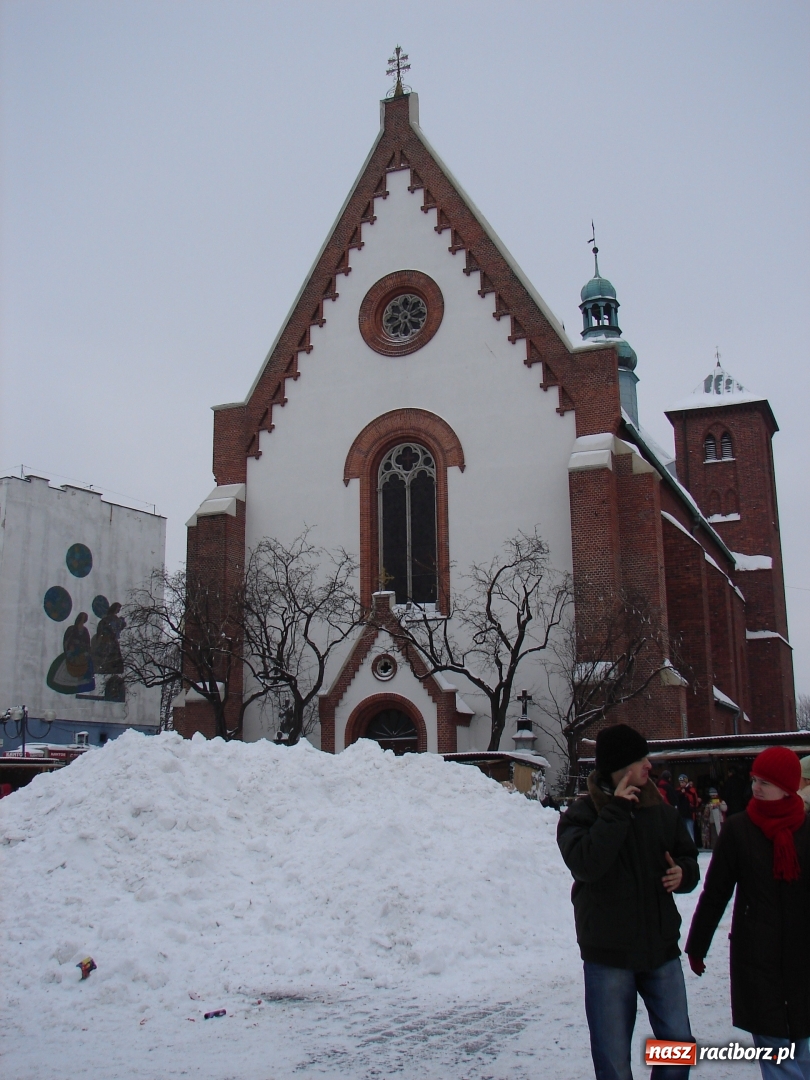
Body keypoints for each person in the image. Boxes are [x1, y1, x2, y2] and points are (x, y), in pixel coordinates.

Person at [557, 723, 700, 1079]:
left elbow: (689, 859)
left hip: (660, 951)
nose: (649, 765)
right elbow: (587, 865)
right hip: (608, 955)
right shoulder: (581, 816)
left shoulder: (662, 812)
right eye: (641, 760)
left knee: (678, 1046)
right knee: (613, 1060)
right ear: (622, 767)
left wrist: (683, 873)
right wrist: (617, 811)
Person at [686, 746, 810, 1080]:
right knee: (777, 1053)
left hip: (802, 959)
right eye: (755, 779)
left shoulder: (807, 828)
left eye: (765, 783)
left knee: (803, 1048)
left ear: (787, 787)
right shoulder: (739, 830)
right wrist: (697, 946)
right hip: (757, 959)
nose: (755, 787)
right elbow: (716, 893)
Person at [676, 774, 701, 843]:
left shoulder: (692, 791)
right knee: (682, 832)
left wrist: (694, 808)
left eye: (683, 782)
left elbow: (695, 802)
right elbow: (676, 799)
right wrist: (681, 793)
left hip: (689, 814)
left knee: (690, 831)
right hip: (681, 814)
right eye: (680, 782)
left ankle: (692, 845)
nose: (681, 784)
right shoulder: (678, 790)